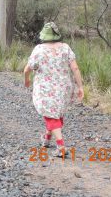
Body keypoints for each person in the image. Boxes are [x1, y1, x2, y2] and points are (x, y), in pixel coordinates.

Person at [23, 22, 84, 158]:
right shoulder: (65, 48)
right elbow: (75, 68)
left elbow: (28, 68)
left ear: (44, 36)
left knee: (51, 114)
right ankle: (46, 139)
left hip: (45, 88)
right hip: (64, 88)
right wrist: (80, 86)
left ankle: (61, 147)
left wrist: (26, 79)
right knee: (56, 112)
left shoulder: (39, 49)